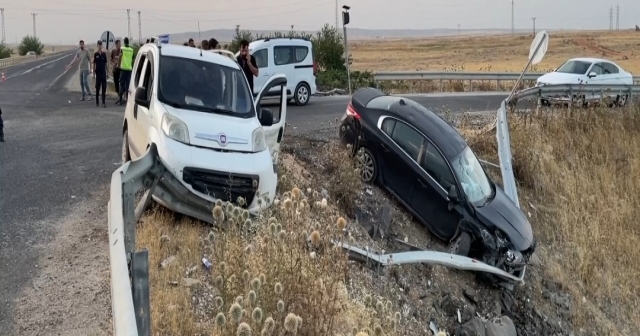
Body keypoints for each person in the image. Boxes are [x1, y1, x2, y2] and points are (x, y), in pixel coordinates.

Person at [117, 37, 134, 106]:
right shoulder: (131, 50)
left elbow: (120, 57)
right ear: (128, 42)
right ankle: (127, 100)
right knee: (128, 86)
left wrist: (118, 65)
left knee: (121, 84)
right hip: (129, 69)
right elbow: (132, 58)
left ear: (124, 42)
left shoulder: (122, 49)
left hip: (123, 69)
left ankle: (120, 100)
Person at [92, 40, 108, 108]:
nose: (100, 46)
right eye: (99, 45)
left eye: (101, 45)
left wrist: (107, 72)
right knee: (98, 89)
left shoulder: (104, 54)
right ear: (97, 46)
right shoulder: (96, 54)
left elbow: (106, 64)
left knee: (104, 88)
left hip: (103, 73)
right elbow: (94, 64)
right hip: (98, 74)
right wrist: (93, 73)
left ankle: (103, 102)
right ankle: (97, 102)